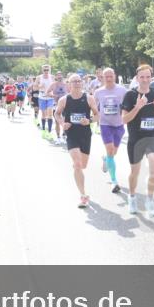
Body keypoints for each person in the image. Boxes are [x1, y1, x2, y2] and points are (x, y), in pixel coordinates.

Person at [121, 65, 154, 217]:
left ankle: (150, 200)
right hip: (136, 138)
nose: (145, 80)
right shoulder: (130, 95)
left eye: (147, 77)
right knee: (135, 172)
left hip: (152, 136)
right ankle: (132, 197)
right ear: (137, 78)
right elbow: (124, 119)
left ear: (150, 77)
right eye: (142, 77)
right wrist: (137, 107)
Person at [55, 73, 98, 207]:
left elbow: (97, 115)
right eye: (74, 81)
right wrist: (62, 123)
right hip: (71, 134)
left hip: (85, 134)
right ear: (69, 84)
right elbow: (56, 113)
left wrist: (89, 120)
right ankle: (83, 195)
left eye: (79, 81)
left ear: (82, 83)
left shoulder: (89, 98)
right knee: (78, 164)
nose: (77, 83)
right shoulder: (64, 100)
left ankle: (84, 168)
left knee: (83, 165)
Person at [95, 68, 127, 194]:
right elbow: (93, 107)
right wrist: (93, 117)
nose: (108, 78)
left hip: (119, 124)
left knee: (113, 153)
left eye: (111, 76)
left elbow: (128, 105)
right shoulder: (98, 92)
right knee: (110, 150)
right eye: (106, 76)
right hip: (105, 124)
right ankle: (114, 181)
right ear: (102, 77)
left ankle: (105, 159)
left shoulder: (122, 90)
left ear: (115, 76)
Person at [37, 65, 56, 135]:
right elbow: (34, 87)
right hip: (42, 97)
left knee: (50, 113)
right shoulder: (39, 77)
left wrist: (52, 92)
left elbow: (55, 86)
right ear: (42, 70)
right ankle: (44, 128)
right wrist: (40, 86)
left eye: (47, 70)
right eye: (45, 70)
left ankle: (50, 131)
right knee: (44, 114)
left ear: (50, 70)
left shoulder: (52, 77)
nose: (46, 71)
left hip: (50, 97)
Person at [50, 72, 68, 143]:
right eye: (58, 76)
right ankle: (58, 137)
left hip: (65, 104)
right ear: (56, 77)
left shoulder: (66, 85)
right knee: (57, 121)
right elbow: (47, 92)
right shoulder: (53, 85)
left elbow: (71, 92)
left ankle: (64, 135)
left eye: (61, 76)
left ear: (62, 77)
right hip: (56, 104)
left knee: (65, 120)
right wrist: (53, 95)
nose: (59, 77)